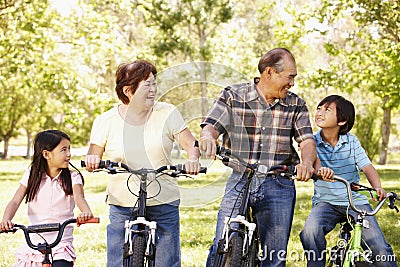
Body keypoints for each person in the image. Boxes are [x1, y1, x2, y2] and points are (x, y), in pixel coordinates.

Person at [200, 48, 317, 267]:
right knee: (222, 244)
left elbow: (307, 141)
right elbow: (211, 126)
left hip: (278, 182)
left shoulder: (296, 104)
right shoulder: (233, 95)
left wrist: (307, 163)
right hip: (240, 178)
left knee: (274, 256)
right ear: (269, 72)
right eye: (290, 77)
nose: (292, 83)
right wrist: (208, 136)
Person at [84, 59, 201, 267]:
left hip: (163, 199)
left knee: (167, 262)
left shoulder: (167, 112)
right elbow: (94, 152)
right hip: (122, 202)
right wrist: (93, 159)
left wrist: (193, 160)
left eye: (154, 83)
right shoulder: (106, 120)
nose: (153, 90)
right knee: (117, 262)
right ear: (128, 90)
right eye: (147, 85)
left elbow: (190, 144)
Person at [300, 95, 397, 266]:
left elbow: (367, 167)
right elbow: (314, 161)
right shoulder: (312, 141)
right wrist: (321, 170)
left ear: (342, 120)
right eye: (319, 108)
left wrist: (378, 187)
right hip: (325, 202)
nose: (319, 112)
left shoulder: (351, 142)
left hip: (355, 202)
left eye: (327, 109)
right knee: (310, 231)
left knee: (381, 250)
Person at [0, 130, 94, 267]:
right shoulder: (32, 175)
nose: (69, 154)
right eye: (63, 149)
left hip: (61, 244)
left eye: (69, 149)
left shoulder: (73, 177)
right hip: (35, 242)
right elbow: (15, 200)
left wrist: (86, 212)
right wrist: (6, 220)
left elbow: (79, 197)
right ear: (46, 154)